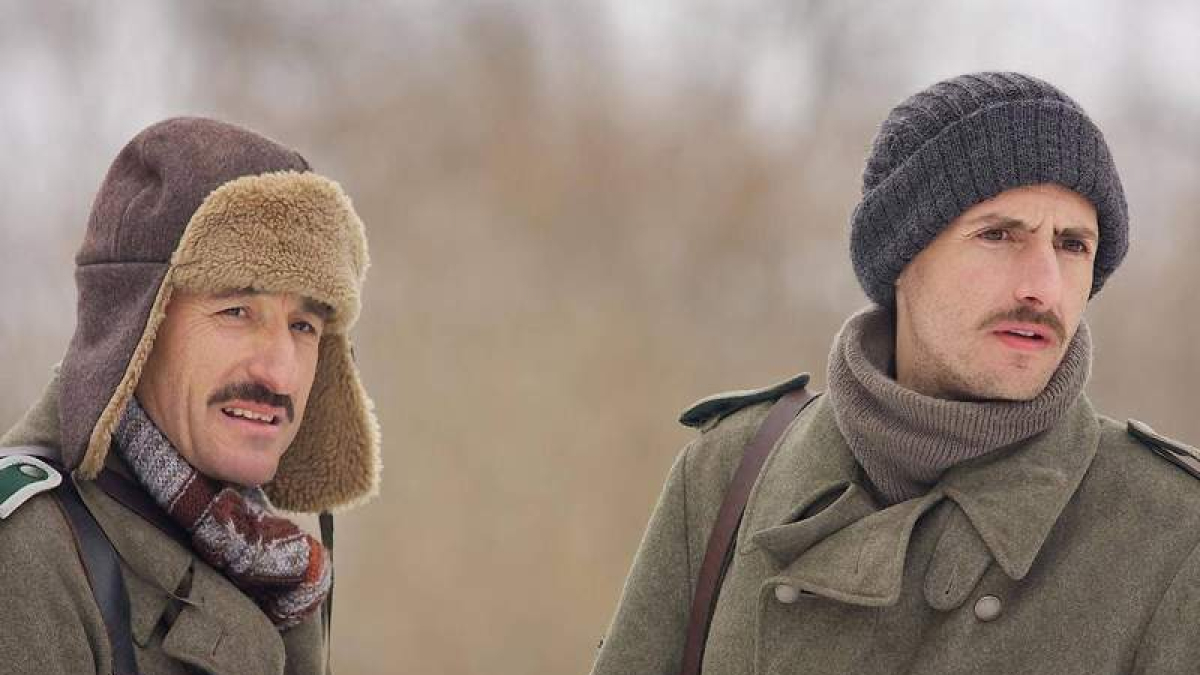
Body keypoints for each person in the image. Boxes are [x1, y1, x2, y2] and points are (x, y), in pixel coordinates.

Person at [591, 72, 1200, 674]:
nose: (1041, 287)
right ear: (903, 256)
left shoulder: (1174, 530)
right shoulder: (729, 472)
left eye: (1073, 246)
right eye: (997, 235)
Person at [0, 117, 380, 675]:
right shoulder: (27, 555)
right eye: (236, 312)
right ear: (138, 330)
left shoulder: (268, 565)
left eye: (304, 326)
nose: (279, 373)